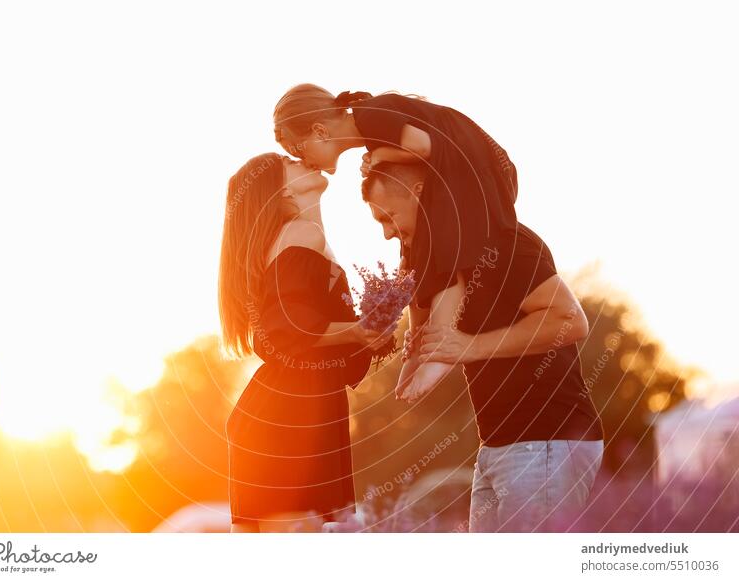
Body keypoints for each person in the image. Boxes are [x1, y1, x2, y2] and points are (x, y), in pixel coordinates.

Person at [361, 161, 605, 532]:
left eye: (389, 216)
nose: (387, 234)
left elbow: (569, 320)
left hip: (546, 439)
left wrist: (470, 346)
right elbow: (425, 354)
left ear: (420, 194)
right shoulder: (447, 263)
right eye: (378, 222)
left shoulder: (503, 241)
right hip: (497, 445)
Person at [274, 84, 520, 404]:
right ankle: (417, 343)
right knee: (412, 255)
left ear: (320, 131)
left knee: (446, 247)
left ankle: (440, 348)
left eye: (301, 151)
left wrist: (381, 154)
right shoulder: (369, 128)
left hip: (479, 169)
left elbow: (430, 146)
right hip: (456, 173)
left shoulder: (371, 116)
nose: (306, 161)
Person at [217, 153, 389, 532]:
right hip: (294, 415)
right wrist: (359, 332)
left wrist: (365, 335)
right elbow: (284, 330)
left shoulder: (295, 237)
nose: (303, 160)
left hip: (289, 409)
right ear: (278, 191)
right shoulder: (301, 235)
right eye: (289, 162)